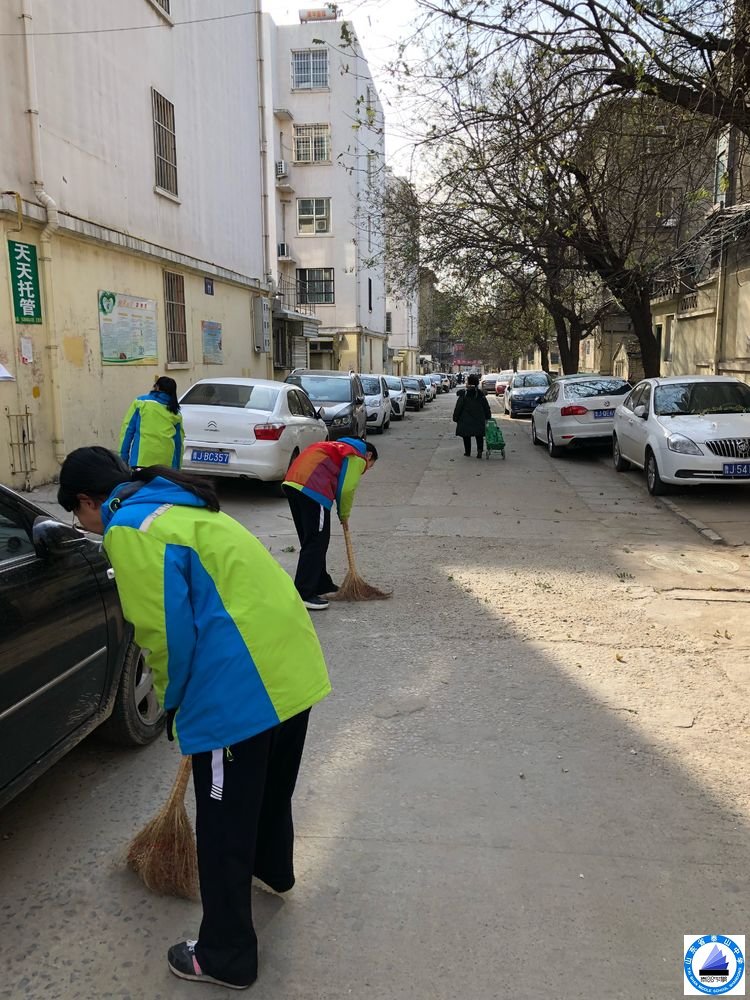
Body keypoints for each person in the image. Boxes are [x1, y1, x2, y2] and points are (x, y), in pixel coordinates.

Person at [57, 447, 331, 992]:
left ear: (88, 501)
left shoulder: (129, 528)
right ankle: (272, 869)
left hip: (240, 688)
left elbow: (162, 632)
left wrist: (173, 702)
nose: (82, 526)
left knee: (222, 825)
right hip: (292, 664)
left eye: (77, 515)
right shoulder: (177, 505)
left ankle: (226, 956)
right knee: (268, 790)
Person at [282, 437, 378, 611]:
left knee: (311, 539)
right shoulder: (356, 455)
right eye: (369, 466)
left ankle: (321, 583)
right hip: (312, 488)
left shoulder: (337, 447)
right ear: (369, 455)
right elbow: (346, 488)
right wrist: (344, 514)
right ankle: (304, 593)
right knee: (316, 541)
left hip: (292, 483)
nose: (365, 470)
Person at [119, 375, 184, 469]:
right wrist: (177, 468)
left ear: (156, 387)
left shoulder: (141, 402)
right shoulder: (176, 413)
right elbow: (178, 443)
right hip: (166, 463)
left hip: (141, 460)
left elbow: (127, 431)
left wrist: (123, 458)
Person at [452, 372, 491, 458]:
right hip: (479, 418)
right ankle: (479, 451)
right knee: (479, 435)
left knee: (466, 435)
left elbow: (458, 407)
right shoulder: (480, 394)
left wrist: (455, 417)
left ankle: (467, 452)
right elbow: (486, 407)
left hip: (465, 419)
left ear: (469, 383)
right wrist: (488, 416)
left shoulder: (464, 394)